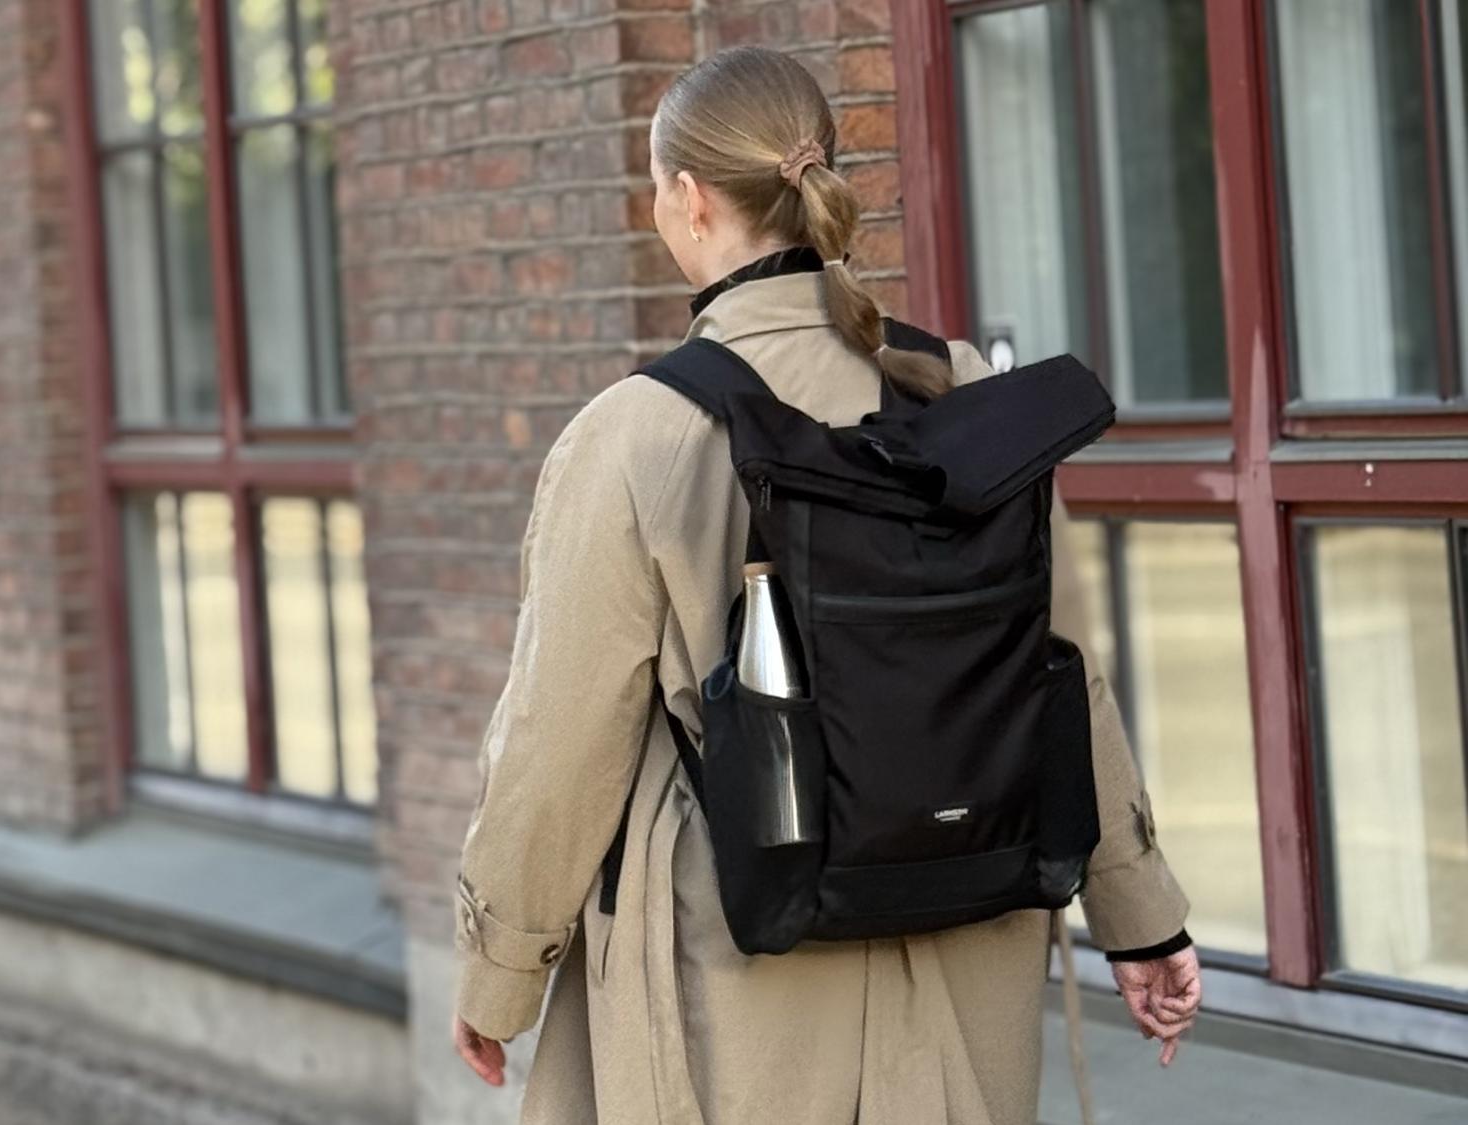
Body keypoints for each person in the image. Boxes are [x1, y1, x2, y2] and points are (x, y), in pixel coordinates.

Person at [449, 45, 1201, 1125]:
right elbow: (1060, 674)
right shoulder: (963, 395)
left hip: (743, 962)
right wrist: (1142, 918)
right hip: (966, 932)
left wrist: (498, 973)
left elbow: (557, 744)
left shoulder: (635, 435)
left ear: (686, 199)